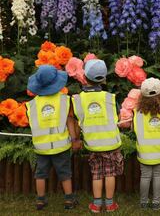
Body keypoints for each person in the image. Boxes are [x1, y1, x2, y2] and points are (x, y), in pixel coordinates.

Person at [72, 59, 123, 213]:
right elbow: (118, 118)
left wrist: (76, 139)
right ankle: (110, 204)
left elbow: (76, 121)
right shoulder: (110, 98)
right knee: (110, 174)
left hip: (93, 144)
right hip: (111, 144)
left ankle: (96, 204)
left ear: (84, 78)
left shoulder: (78, 99)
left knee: (96, 174)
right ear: (104, 79)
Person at [26, 65, 79, 210]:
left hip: (41, 147)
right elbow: (69, 121)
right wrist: (75, 140)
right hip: (61, 146)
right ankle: (69, 200)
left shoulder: (31, 105)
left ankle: (40, 200)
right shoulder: (64, 100)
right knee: (65, 173)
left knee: (40, 174)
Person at [119, 78, 160, 210]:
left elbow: (133, 128)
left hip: (144, 150)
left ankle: (143, 202)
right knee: (157, 175)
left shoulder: (136, 113)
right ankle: (156, 202)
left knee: (145, 175)